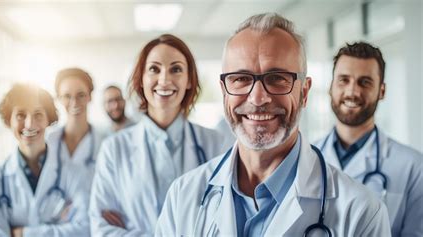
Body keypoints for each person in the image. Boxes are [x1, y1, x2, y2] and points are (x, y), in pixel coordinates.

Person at [155, 13, 391, 236]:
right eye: (241, 79)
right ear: (225, 92)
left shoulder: (361, 213)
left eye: (277, 78)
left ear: (305, 92)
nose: (258, 98)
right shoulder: (182, 197)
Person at [89, 34, 227, 236]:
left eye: (176, 69)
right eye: (154, 69)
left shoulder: (216, 144)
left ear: (189, 80)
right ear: (141, 80)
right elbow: (101, 229)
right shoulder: (114, 148)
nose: (164, 79)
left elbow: (226, 220)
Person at [315, 42, 423, 236]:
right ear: (331, 86)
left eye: (365, 82)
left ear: (382, 91)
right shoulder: (306, 157)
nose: (352, 92)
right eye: (343, 80)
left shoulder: (414, 166)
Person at [0, 84, 89, 237]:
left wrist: (23, 233)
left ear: (48, 119)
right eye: (20, 115)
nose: (29, 124)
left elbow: (84, 229)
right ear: (8, 121)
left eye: (38, 114)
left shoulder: (73, 172)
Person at [46, 68, 105, 188]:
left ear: (90, 97)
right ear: (59, 99)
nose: (74, 102)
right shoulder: (48, 140)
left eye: (81, 95)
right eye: (67, 96)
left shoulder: (105, 141)